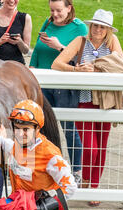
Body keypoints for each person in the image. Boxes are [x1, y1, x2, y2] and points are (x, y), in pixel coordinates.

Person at [52, 9, 123, 207]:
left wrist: (98, 68)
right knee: (90, 147)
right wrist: (77, 69)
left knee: (101, 146)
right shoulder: (80, 41)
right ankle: (88, 182)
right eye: (96, 25)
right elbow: (57, 64)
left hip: (106, 101)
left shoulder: (112, 42)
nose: (98, 29)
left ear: (108, 29)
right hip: (84, 101)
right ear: (91, 25)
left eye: (103, 26)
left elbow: (122, 64)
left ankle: (94, 185)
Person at [29, 0, 88, 185]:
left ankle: (76, 171)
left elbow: (82, 58)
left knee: (69, 129)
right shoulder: (48, 23)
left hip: (65, 85)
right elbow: (37, 50)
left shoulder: (79, 28)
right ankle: (47, 168)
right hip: (43, 83)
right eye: (52, 10)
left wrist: (59, 46)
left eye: (59, 10)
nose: (55, 14)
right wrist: (32, 68)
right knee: (43, 128)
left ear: (69, 8)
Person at [0, 0, 31, 64]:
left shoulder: (25, 18)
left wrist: (20, 42)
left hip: (17, 66)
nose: (12, 1)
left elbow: (26, 51)